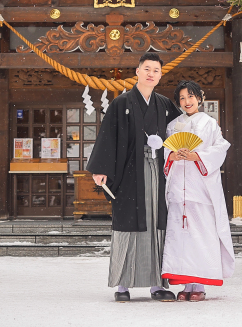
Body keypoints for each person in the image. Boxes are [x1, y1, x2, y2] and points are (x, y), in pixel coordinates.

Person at [86, 52, 181, 302]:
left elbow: (179, 134)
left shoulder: (164, 105)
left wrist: (167, 145)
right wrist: (101, 168)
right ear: (137, 71)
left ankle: (157, 284)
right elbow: (108, 136)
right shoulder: (121, 102)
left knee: (157, 223)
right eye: (147, 69)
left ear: (161, 76)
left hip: (158, 170)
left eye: (156, 70)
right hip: (129, 172)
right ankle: (123, 284)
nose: (151, 73)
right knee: (128, 223)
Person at [161, 80, 234, 302]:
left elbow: (220, 148)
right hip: (178, 191)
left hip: (200, 190)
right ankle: (186, 284)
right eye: (182, 98)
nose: (187, 102)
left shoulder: (210, 124)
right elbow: (166, 153)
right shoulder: (173, 125)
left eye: (190, 97)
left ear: (200, 98)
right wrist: (171, 156)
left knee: (201, 236)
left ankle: (199, 284)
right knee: (181, 238)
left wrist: (197, 156)